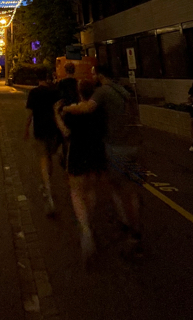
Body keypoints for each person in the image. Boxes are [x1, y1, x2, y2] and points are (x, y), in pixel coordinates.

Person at [63, 65, 143, 258]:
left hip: (116, 146)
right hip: (134, 144)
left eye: (93, 73)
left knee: (117, 188)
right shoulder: (124, 91)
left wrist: (65, 108)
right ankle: (130, 226)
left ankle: (131, 232)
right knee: (129, 189)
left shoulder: (103, 92)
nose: (92, 76)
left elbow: (86, 108)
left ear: (100, 75)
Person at [54, 79, 107, 261]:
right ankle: (88, 223)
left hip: (78, 152)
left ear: (79, 92)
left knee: (76, 192)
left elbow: (66, 133)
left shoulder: (74, 112)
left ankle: (85, 230)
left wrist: (57, 116)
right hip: (96, 152)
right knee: (91, 190)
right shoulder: (99, 111)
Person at [24, 67, 60, 215]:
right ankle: (48, 183)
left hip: (40, 128)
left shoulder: (34, 93)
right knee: (50, 156)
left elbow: (30, 114)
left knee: (44, 158)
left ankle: (48, 190)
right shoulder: (54, 92)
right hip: (54, 128)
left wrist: (26, 129)